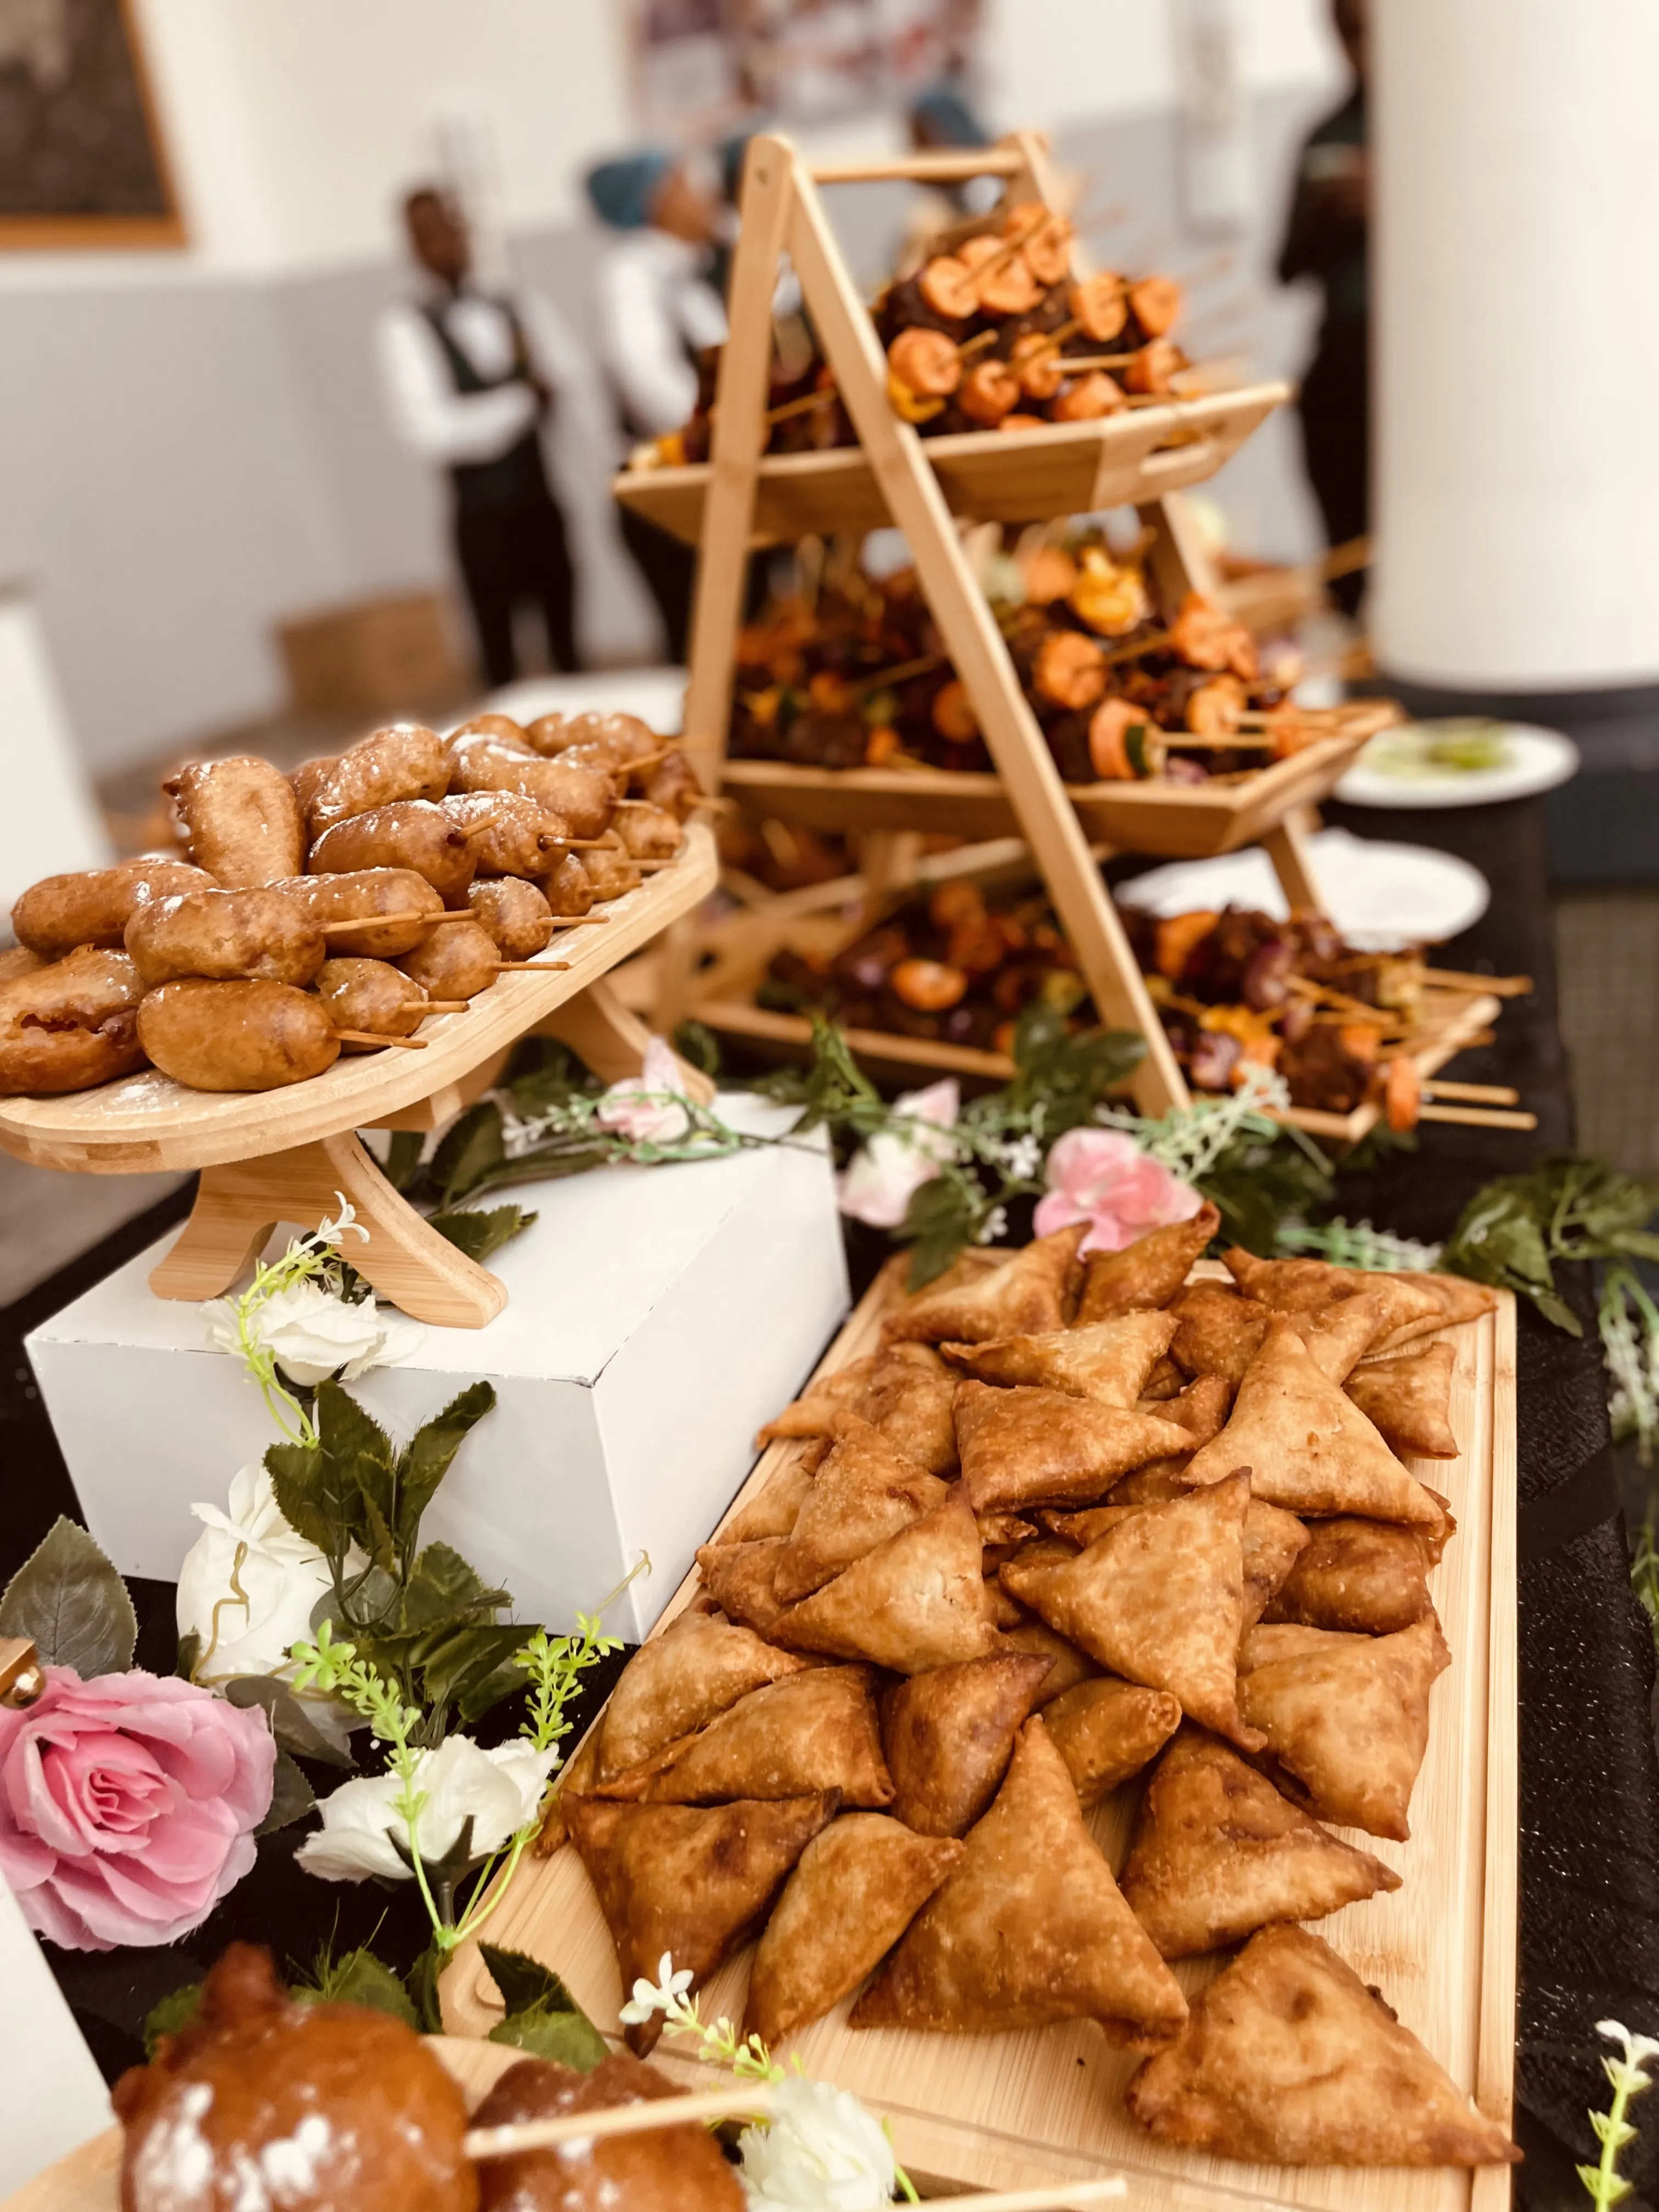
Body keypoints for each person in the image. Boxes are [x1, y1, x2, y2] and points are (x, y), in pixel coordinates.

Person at [377, 187, 582, 686]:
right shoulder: (404, 328)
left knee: (568, 646)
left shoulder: (519, 306)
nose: (445, 242)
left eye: (452, 226)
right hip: (481, 517)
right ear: (413, 246)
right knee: (499, 659)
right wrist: (520, 403)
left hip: (542, 498)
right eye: (429, 233)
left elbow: (569, 377)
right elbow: (432, 432)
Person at [585, 149, 729, 661]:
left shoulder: (695, 272)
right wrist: (727, 428)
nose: (703, 195)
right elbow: (646, 379)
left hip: (714, 478)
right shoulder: (631, 275)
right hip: (667, 492)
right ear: (656, 200)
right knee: (699, 646)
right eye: (685, 183)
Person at [1277, 0, 1369, 613]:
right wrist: (1333, 213)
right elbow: (1283, 266)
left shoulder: (1446, 126)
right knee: (1349, 542)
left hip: (1429, 374)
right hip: (1344, 362)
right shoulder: (1326, 135)